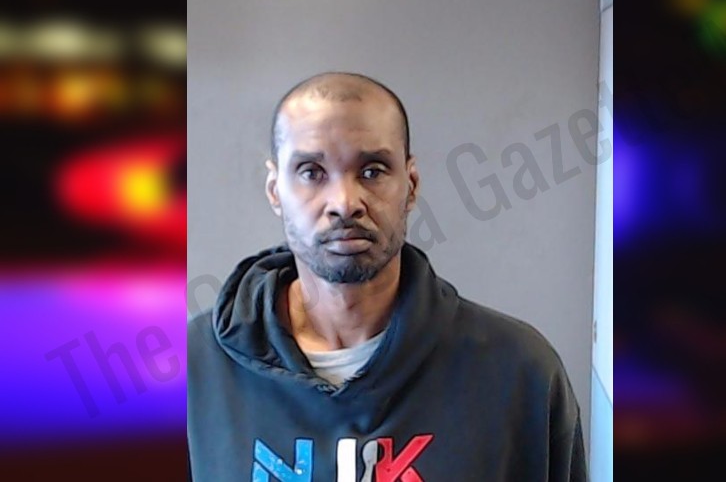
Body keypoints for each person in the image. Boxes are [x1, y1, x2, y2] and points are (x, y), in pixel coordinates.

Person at [187, 72, 587, 482]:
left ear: (410, 186)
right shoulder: (191, 373)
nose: (345, 203)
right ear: (275, 190)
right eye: (311, 172)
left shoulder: (519, 372)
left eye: (372, 171)